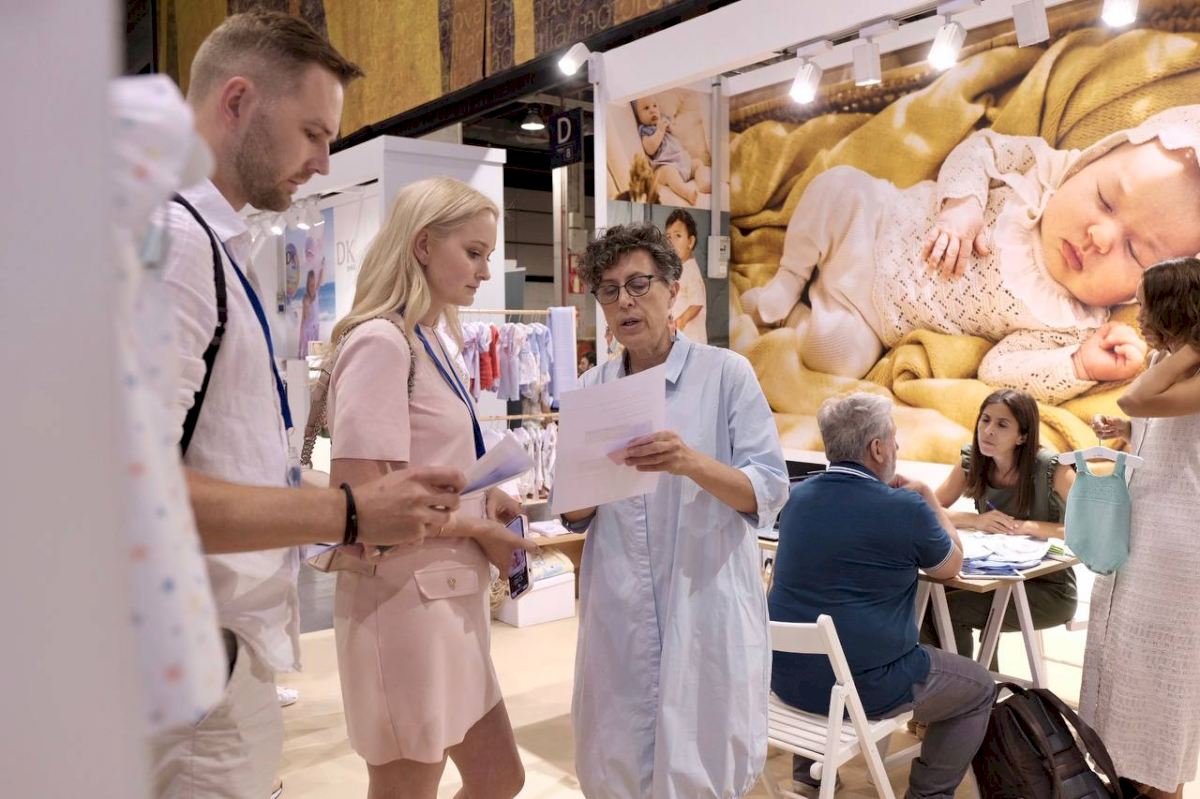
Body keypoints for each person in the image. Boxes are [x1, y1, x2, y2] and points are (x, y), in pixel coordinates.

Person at [151, 13, 468, 799]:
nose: (324, 162)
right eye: (314, 133)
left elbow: (216, 460)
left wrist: (345, 511)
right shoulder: (177, 244)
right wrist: (349, 511)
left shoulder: (209, 244)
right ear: (237, 102)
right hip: (195, 670)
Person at [740, 106, 1200, 404]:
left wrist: (1078, 365)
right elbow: (980, 149)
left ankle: (799, 318)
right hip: (873, 219)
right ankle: (788, 279)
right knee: (836, 185)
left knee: (839, 357)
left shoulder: (1070, 322)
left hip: (869, 315)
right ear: (1088, 162)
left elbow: (998, 371)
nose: (1099, 237)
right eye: (1105, 199)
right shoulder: (1038, 171)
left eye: (1135, 251)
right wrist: (963, 204)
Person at [560, 223, 788, 798]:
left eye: (639, 284)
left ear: (672, 288)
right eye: (609, 290)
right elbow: (576, 513)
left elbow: (768, 489)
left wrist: (691, 462)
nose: (625, 301)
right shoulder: (591, 388)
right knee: (618, 760)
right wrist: (580, 492)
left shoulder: (724, 375)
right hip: (618, 601)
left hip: (703, 596)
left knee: (703, 759)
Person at [325, 177, 535, 799]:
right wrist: (475, 524)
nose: (484, 271)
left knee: (499, 778)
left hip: (446, 600)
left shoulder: (431, 340)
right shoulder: (382, 343)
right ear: (422, 245)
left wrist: (482, 497)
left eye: (487, 255)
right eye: (473, 252)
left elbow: (424, 469)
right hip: (402, 604)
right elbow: (361, 504)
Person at [770, 393, 995, 799]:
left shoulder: (797, 497)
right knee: (979, 687)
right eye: (893, 438)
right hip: (865, 688)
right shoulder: (905, 508)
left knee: (822, 629)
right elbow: (951, 565)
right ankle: (927, 795)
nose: (897, 446)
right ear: (877, 448)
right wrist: (928, 497)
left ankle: (809, 777)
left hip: (785, 680)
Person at [1081, 257, 1200, 799]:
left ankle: (1160, 784)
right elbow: (1145, 413)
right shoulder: (1163, 360)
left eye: (1148, 304)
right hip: (1141, 528)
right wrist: (1128, 428)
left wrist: (1193, 346)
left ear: (1176, 309)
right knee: (1122, 660)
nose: (1139, 314)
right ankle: (1127, 777)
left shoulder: (1192, 366)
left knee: (1163, 676)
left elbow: (1136, 396)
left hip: (1179, 544)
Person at [926, 389, 1077, 658]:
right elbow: (928, 509)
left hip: (1049, 590)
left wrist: (1026, 526)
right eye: (985, 420)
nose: (988, 431)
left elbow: (1092, 528)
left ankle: (968, 681)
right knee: (923, 597)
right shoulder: (974, 460)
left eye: (1002, 424)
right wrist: (976, 520)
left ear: (1023, 436)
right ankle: (953, 678)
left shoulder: (1052, 468)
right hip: (993, 579)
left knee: (949, 610)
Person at [631, 95, 712, 205]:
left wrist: (671, 128)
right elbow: (649, 149)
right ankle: (686, 193)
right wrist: (659, 131)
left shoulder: (664, 121)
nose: (652, 110)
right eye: (646, 108)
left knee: (698, 163)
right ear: (638, 115)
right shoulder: (645, 129)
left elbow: (679, 134)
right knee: (669, 173)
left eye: (655, 106)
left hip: (683, 163)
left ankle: (703, 183)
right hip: (665, 165)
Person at [663, 208, 708, 344]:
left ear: (690, 242)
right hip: (680, 339)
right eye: (668, 237)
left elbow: (697, 303)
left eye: (678, 236)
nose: (672, 242)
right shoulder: (679, 270)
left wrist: (681, 321)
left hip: (692, 340)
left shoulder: (691, 270)